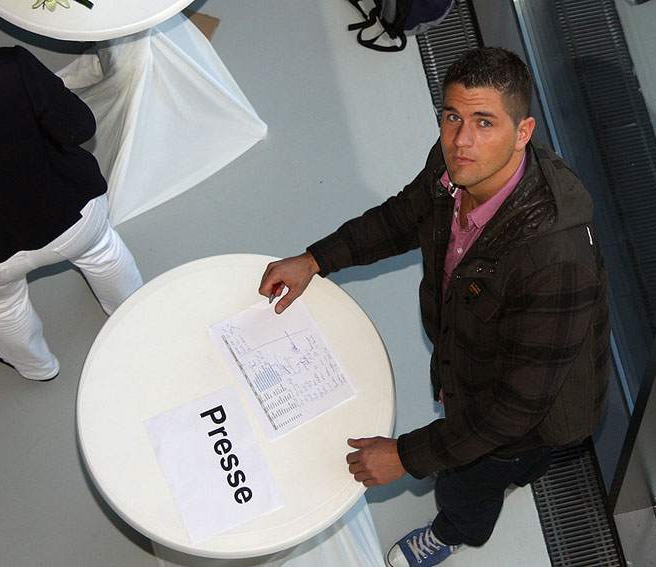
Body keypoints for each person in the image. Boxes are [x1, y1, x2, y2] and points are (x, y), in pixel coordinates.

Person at [259, 46, 610, 566]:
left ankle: (456, 530)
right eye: (452, 117)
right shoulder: (458, 168)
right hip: (477, 360)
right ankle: (516, 471)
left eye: (485, 122)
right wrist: (315, 260)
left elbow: (512, 410)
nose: (461, 140)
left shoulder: (555, 262)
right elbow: (403, 218)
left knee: (468, 481)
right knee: (480, 456)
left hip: (522, 416)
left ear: (523, 132)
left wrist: (406, 456)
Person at [0, 45, 143, 381]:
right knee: (102, 252)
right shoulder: (11, 67)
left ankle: (36, 367)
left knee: (3, 306)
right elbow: (79, 127)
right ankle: (133, 313)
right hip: (68, 211)